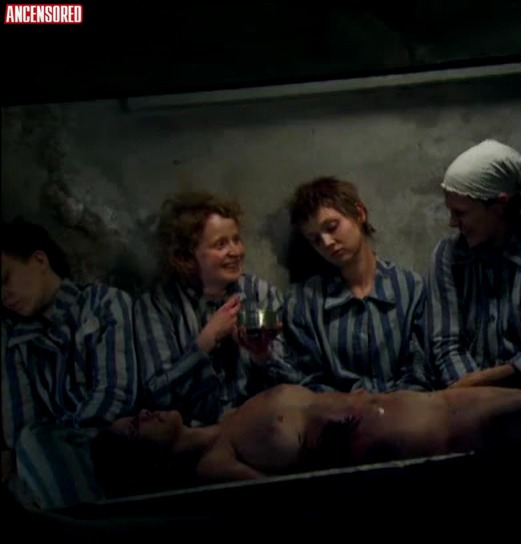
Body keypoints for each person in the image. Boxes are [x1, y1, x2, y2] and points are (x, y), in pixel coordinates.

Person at [94, 378, 521, 486]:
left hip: (424, 402)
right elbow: (288, 506)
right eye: (134, 430)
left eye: (133, 413)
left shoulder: (229, 414)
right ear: (149, 462)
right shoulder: (215, 465)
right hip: (427, 440)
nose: (142, 415)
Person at [1, 218, 137, 509]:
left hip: (105, 438)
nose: (4, 295)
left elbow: (115, 391)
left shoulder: (103, 303)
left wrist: (67, 433)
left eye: (5, 278)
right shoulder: (12, 337)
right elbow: (21, 422)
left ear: (39, 261)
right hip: (45, 453)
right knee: (28, 451)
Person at [428, 139, 521, 388]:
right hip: (467, 400)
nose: (452, 223)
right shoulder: (449, 256)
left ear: (499, 206)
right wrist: (477, 397)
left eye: (461, 213)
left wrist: (485, 388)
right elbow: (447, 344)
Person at [133, 192, 286, 426]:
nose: (236, 252)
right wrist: (204, 343)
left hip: (255, 426)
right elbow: (156, 397)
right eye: (220, 244)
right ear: (186, 257)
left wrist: (262, 355)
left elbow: (290, 385)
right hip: (192, 433)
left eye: (236, 240)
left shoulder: (261, 294)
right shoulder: (158, 305)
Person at [275, 176, 432, 392]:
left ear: (359, 214)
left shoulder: (409, 288)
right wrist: (345, 403)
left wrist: (388, 403)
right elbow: (307, 379)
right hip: (336, 411)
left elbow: (419, 370)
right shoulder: (304, 301)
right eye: (315, 239)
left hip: (403, 408)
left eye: (332, 227)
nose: (327, 242)